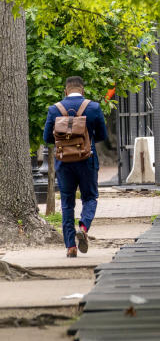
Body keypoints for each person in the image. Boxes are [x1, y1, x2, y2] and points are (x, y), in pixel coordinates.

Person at [43, 76, 108, 257]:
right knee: (90, 197)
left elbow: (47, 138)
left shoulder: (54, 110)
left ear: (65, 91)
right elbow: (102, 135)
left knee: (67, 203)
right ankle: (84, 226)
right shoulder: (93, 107)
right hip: (87, 161)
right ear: (83, 90)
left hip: (64, 163)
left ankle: (70, 246)